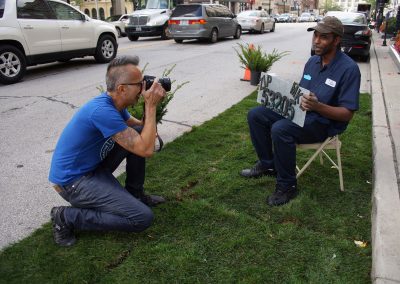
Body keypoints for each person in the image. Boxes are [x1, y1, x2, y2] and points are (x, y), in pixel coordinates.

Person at [240, 16, 360, 206]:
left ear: (336, 40)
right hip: (302, 111)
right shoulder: (312, 61)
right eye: (316, 35)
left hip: (323, 123)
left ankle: (287, 185)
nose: (317, 41)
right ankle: (268, 165)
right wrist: (281, 92)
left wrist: (317, 106)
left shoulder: (349, 69)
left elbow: (347, 114)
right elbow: (301, 92)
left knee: (280, 129)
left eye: (324, 37)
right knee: (256, 114)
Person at [49, 55, 167, 246]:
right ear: (122, 88)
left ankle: (135, 194)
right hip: (74, 183)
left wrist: (149, 105)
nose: (144, 87)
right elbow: (146, 149)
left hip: (93, 169)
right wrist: (151, 105)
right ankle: (65, 217)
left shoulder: (115, 104)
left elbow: (142, 129)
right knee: (141, 218)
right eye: (140, 84)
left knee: (136, 132)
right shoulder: (102, 111)